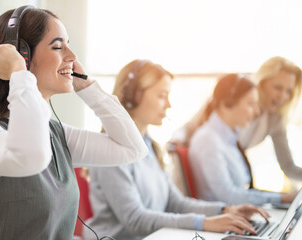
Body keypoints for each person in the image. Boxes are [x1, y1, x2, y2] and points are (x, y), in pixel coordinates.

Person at [0, 6, 148, 240]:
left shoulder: (55, 134)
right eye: (57, 46)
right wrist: (18, 74)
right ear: (23, 55)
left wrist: (87, 88)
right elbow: (31, 157)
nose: (72, 57)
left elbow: (132, 149)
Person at [84, 60, 270, 240]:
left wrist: (224, 210)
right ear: (135, 96)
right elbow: (135, 219)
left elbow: (175, 203)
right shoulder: (110, 149)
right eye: (161, 95)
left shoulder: (149, 147)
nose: (168, 104)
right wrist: (205, 223)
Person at [179, 56, 302, 182]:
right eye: (277, 87)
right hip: (202, 167)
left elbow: (288, 166)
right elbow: (189, 127)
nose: (282, 96)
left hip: (231, 172)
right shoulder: (233, 95)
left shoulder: (275, 120)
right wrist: (177, 140)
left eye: (289, 91)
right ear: (261, 82)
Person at [189, 74, 297, 206]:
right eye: (251, 104)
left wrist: (283, 197)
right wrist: (283, 198)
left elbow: (242, 191)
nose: (257, 112)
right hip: (223, 220)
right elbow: (228, 196)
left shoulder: (229, 140)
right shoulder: (208, 140)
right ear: (228, 102)